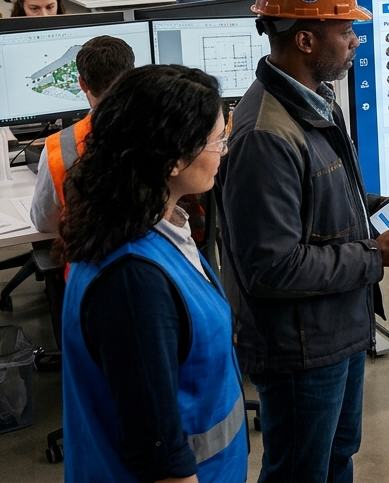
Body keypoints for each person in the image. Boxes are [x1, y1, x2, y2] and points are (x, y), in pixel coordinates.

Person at [218, 0, 389, 482]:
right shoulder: (265, 135)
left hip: (339, 325)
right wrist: (375, 254)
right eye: (345, 30)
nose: (356, 39)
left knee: (337, 458)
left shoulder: (316, 99)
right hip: (301, 350)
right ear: (306, 40)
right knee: (300, 472)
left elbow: (323, 203)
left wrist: (378, 209)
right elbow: (271, 268)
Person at [59, 64, 246, 483]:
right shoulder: (133, 284)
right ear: (173, 157)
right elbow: (158, 453)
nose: (225, 150)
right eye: (218, 140)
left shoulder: (143, 226)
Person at [30, 36, 136, 234]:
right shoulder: (165, 129)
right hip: (165, 257)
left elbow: (44, 223)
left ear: (82, 84)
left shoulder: (59, 147)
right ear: (132, 77)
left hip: (93, 259)